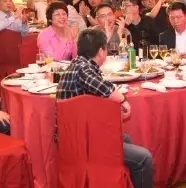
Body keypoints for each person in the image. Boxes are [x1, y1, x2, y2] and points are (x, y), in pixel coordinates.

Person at [57, 28, 153, 188]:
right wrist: (123, 100)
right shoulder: (84, 68)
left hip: (73, 137)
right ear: (101, 51)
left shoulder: (77, 63)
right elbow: (102, 87)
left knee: (125, 138)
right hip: (85, 143)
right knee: (144, 158)